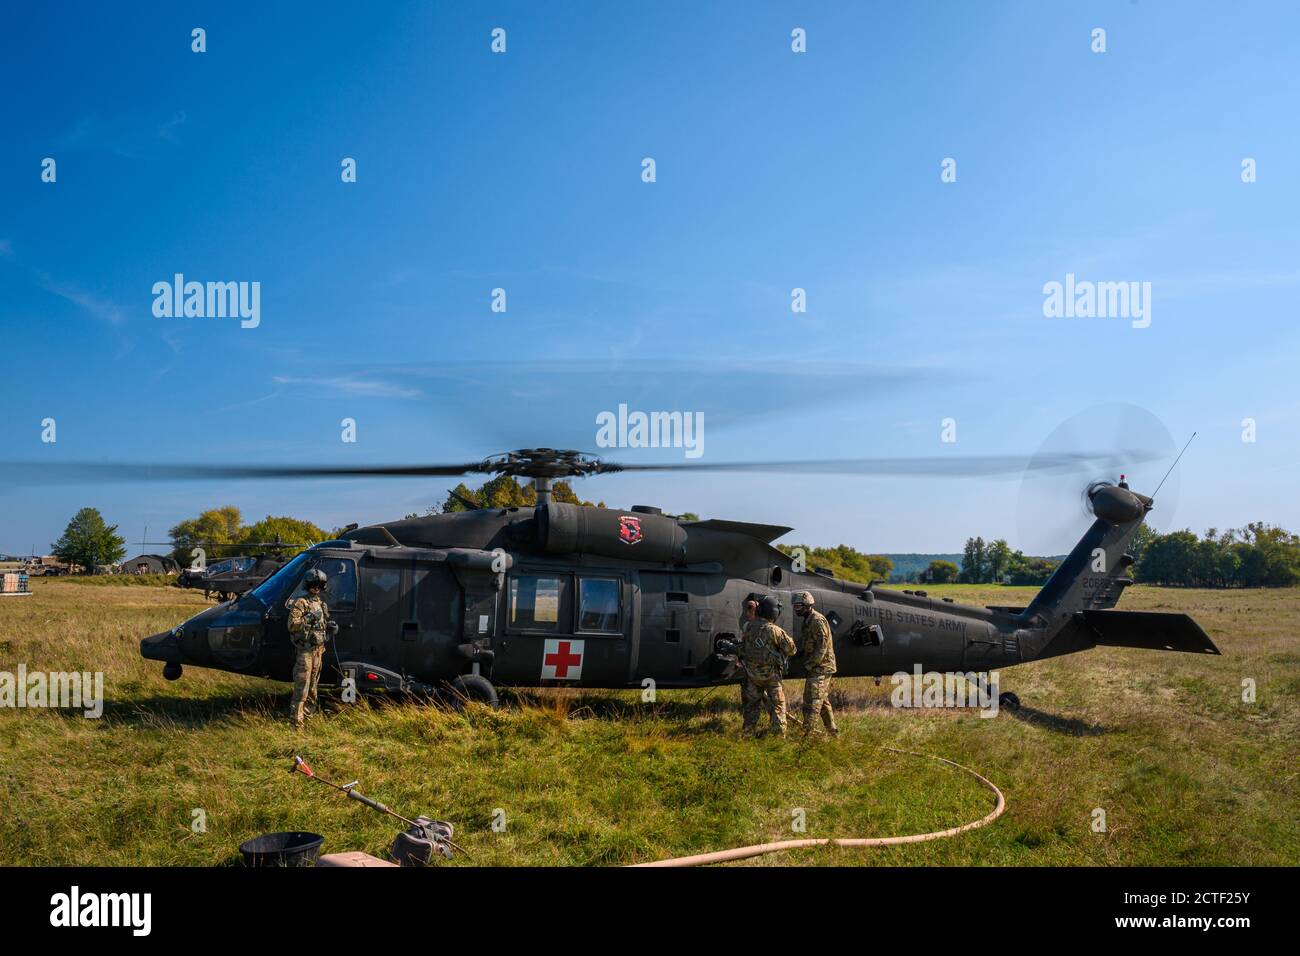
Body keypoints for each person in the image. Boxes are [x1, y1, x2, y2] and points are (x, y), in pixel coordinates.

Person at [740, 596, 796, 737]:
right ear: (775, 613)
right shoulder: (775, 631)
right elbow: (792, 649)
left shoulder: (748, 627)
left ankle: (748, 731)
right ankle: (778, 734)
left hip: (752, 675)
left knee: (752, 705)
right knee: (778, 705)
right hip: (771, 676)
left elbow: (743, 648)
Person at [288, 568, 332, 729]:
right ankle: (296, 722)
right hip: (305, 651)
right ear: (308, 586)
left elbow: (322, 625)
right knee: (302, 686)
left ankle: (309, 716)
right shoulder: (301, 603)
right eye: (313, 585)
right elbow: (292, 625)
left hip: (318, 650)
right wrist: (308, 618)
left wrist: (330, 627)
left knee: (313, 685)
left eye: (319, 585)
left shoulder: (321, 603)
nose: (316, 588)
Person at [792, 591, 838, 737]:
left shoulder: (817, 621)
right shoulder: (808, 620)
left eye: (798, 606)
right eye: (795, 606)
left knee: (812, 701)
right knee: (822, 701)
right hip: (816, 666)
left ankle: (807, 735)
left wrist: (809, 665)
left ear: (807, 606)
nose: (796, 609)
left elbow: (822, 648)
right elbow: (809, 645)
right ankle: (833, 733)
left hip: (821, 667)